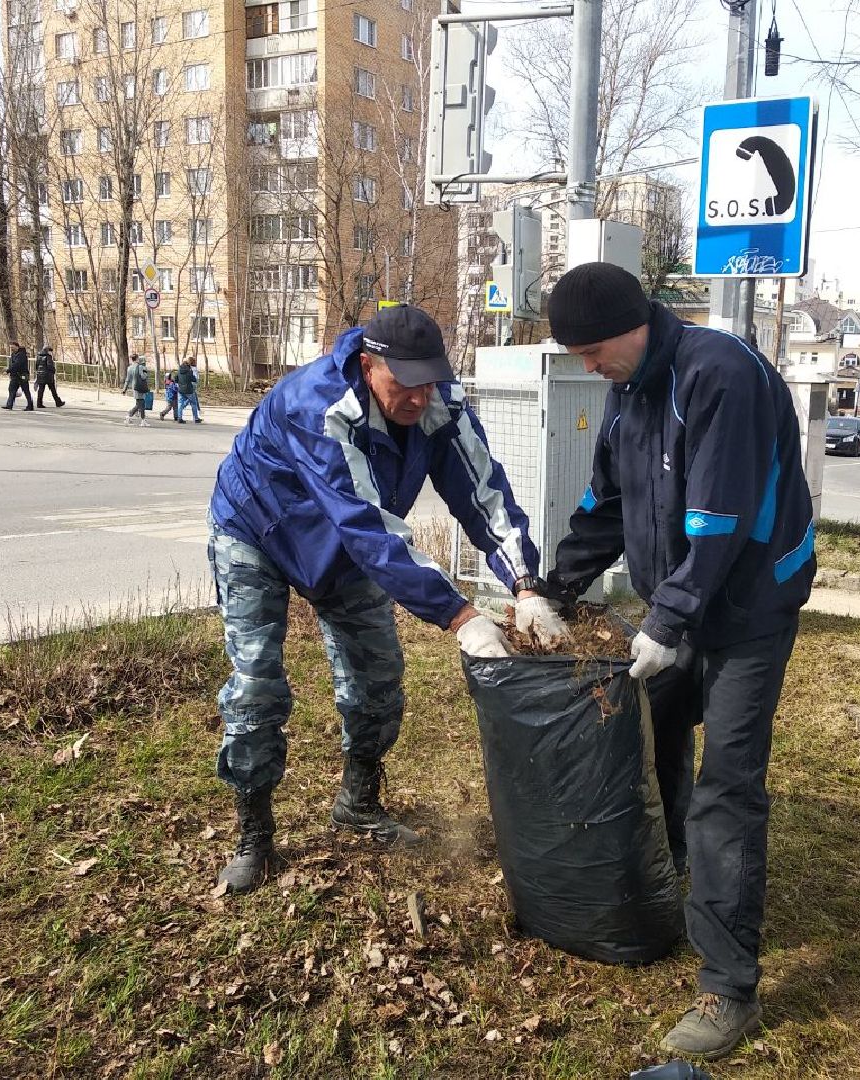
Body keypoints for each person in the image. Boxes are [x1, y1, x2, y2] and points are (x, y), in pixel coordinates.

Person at [535, 263, 816, 1061]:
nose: (588, 368)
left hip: (748, 610)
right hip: (681, 605)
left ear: (632, 325)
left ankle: (729, 987)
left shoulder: (719, 375)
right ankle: (669, 884)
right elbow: (606, 507)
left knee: (728, 786)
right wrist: (550, 589)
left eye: (591, 351)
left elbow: (721, 522)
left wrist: (667, 620)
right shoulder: (629, 394)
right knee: (654, 747)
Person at [207, 304, 568, 893]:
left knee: (376, 675)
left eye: (430, 381)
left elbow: (483, 492)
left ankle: (358, 803)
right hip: (260, 533)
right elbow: (369, 526)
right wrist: (460, 615)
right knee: (257, 683)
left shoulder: (437, 404)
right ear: (368, 365)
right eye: (406, 384)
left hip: (347, 550)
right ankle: (255, 836)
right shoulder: (318, 408)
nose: (420, 398)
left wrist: (524, 584)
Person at [3, 340, 34, 410]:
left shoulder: (21, 355)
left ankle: (30, 406)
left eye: (13, 347)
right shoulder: (13, 354)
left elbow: (17, 364)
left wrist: (8, 370)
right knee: (11, 389)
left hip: (22, 375)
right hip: (14, 375)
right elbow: (12, 364)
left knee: (26, 390)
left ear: (17, 346)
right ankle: (9, 405)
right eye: (11, 348)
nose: (12, 349)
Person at [123, 354, 151, 426]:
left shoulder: (129, 368)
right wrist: (145, 371)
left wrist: (124, 389)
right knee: (140, 403)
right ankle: (129, 416)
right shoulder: (141, 367)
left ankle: (143, 420)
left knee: (140, 403)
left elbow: (127, 380)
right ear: (137, 359)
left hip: (134, 387)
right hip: (140, 387)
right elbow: (144, 377)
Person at [178, 356, 202, 423]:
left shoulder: (179, 370)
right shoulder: (189, 371)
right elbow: (194, 379)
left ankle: (179, 418)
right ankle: (196, 418)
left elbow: (176, 378)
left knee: (180, 403)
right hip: (189, 389)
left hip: (180, 389)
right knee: (193, 403)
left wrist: (180, 383)